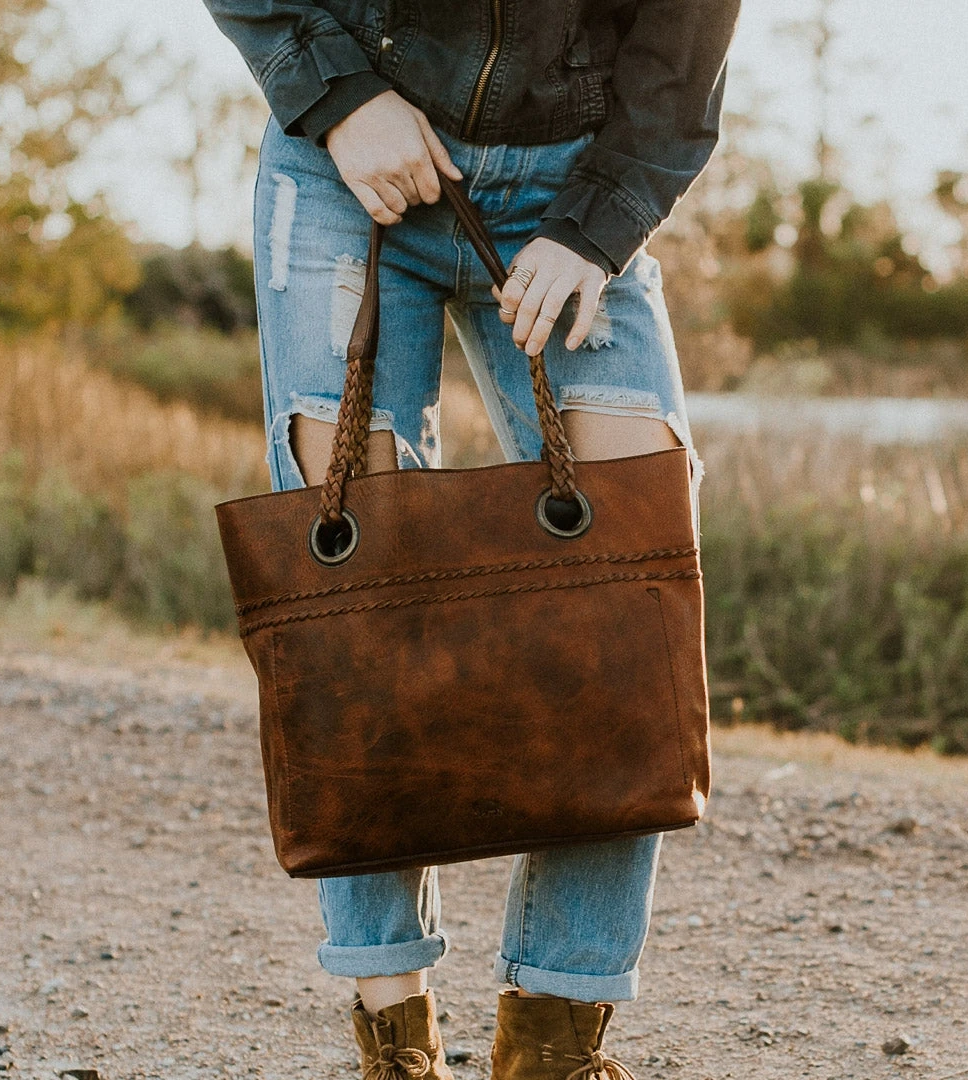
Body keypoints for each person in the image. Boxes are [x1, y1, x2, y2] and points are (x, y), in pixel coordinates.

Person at [201, 3, 739, 1077]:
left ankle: (551, 1043)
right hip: (346, 164)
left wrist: (598, 224)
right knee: (346, 586)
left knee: (625, 588)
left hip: (576, 179)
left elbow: (685, 50)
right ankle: (392, 1036)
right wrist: (339, 95)